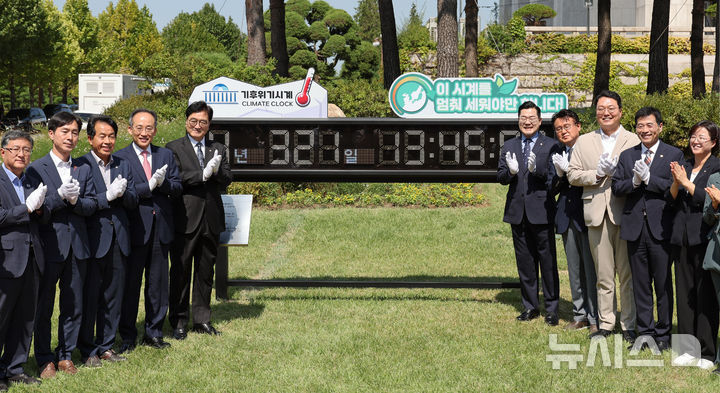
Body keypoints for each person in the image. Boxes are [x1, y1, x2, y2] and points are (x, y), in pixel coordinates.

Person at [26, 112, 97, 378]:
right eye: (65, 131)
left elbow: (92, 205)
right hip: (49, 245)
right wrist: (58, 197)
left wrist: (76, 202)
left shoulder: (83, 168)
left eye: (75, 132)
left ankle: (65, 354)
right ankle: (45, 358)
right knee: (44, 305)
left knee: (73, 303)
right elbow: (37, 209)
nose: (70, 137)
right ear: (51, 134)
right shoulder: (36, 168)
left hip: (78, 245)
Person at [567, 90, 638, 342]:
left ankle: (629, 323)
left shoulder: (633, 139)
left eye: (610, 108)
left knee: (627, 273)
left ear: (620, 111)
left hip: (625, 212)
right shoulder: (584, 141)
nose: (605, 113)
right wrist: (595, 175)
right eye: (600, 109)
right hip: (595, 212)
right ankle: (606, 322)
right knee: (603, 274)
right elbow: (572, 174)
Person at [611, 107, 683, 352]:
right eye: (640, 126)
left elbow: (677, 189)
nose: (644, 130)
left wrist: (650, 179)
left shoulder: (673, 154)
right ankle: (646, 333)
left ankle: (663, 334)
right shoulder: (627, 155)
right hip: (634, 228)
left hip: (661, 227)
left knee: (663, 284)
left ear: (660, 127)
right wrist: (633, 181)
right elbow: (617, 188)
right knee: (640, 284)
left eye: (649, 125)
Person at [116, 109, 182, 352]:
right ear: (130, 129)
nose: (145, 133)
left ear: (155, 130)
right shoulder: (120, 158)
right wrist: (149, 185)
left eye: (149, 128)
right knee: (130, 285)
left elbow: (177, 187)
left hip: (160, 228)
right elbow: (126, 192)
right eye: (140, 128)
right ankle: (127, 335)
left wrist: (163, 184)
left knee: (157, 285)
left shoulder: (165, 154)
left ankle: (154, 332)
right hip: (134, 229)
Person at [76, 115, 138, 366]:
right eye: (102, 136)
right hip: (92, 239)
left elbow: (134, 200)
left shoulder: (123, 164)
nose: (107, 141)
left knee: (113, 295)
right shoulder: (80, 165)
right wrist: (108, 195)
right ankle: (87, 348)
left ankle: (106, 345)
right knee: (90, 296)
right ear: (90, 138)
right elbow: (80, 204)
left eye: (111, 136)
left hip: (119, 237)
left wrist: (123, 194)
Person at [167, 101, 231, 339]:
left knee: (205, 272)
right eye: (193, 121)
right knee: (181, 271)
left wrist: (216, 171)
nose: (197, 126)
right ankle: (179, 321)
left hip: (211, 219)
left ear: (209, 124)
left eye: (202, 122)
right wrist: (200, 175)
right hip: (185, 218)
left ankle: (202, 319)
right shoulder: (173, 148)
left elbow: (227, 179)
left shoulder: (218, 148)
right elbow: (175, 178)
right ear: (186, 122)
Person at [497, 100, 559, 325]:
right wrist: (511, 173)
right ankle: (530, 306)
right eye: (523, 118)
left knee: (547, 261)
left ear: (540, 121)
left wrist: (538, 171)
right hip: (517, 211)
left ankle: (552, 308)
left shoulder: (551, 145)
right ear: (518, 120)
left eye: (532, 118)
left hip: (541, 211)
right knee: (525, 262)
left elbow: (555, 179)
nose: (527, 122)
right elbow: (501, 176)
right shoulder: (509, 145)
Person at [668, 120, 720, 369]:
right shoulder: (685, 165)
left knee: (705, 295)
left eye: (701, 136)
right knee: (685, 293)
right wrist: (678, 180)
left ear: (713, 142)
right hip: (682, 237)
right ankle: (687, 349)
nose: (695, 140)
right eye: (693, 136)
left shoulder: (717, 166)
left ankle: (708, 352)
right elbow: (672, 199)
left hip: (705, 237)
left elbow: (708, 201)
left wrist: (687, 182)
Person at [0, 131, 47, 388]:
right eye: (16, 149)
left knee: (25, 318)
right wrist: (26, 209)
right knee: (2, 317)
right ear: (3, 151)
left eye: (27, 149)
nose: (22, 154)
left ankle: (15, 367)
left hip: (32, 258)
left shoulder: (30, 179)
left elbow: (41, 216)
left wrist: (40, 208)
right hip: (6, 259)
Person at [550, 109, 598, 333]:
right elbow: (550, 188)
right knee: (574, 269)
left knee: (592, 269)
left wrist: (572, 172)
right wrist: (560, 175)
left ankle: (595, 316)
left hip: (588, 214)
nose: (563, 132)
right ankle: (579, 314)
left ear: (578, 126)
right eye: (558, 128)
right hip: (566, 216)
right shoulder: (556, 151)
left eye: (567, 126)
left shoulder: (589, 148)